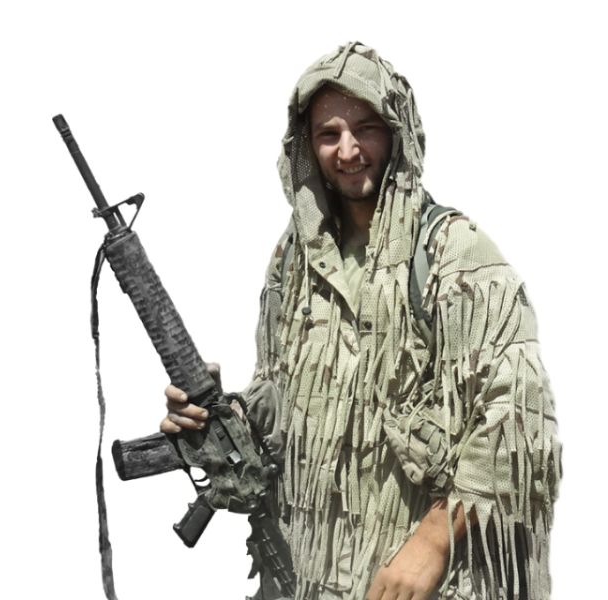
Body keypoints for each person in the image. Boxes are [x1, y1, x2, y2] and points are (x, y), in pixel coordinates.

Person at [159, 41, 563, 600]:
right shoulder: (295, 261)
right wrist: (217, 420)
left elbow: (522, 420)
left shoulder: (454, 252)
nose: (348, 150)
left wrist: (433, 542)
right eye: (328, 134)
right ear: (306, 145)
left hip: (422, 586)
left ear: (397, 132)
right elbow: (283, 406)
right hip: (307, 578)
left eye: (366, 128)